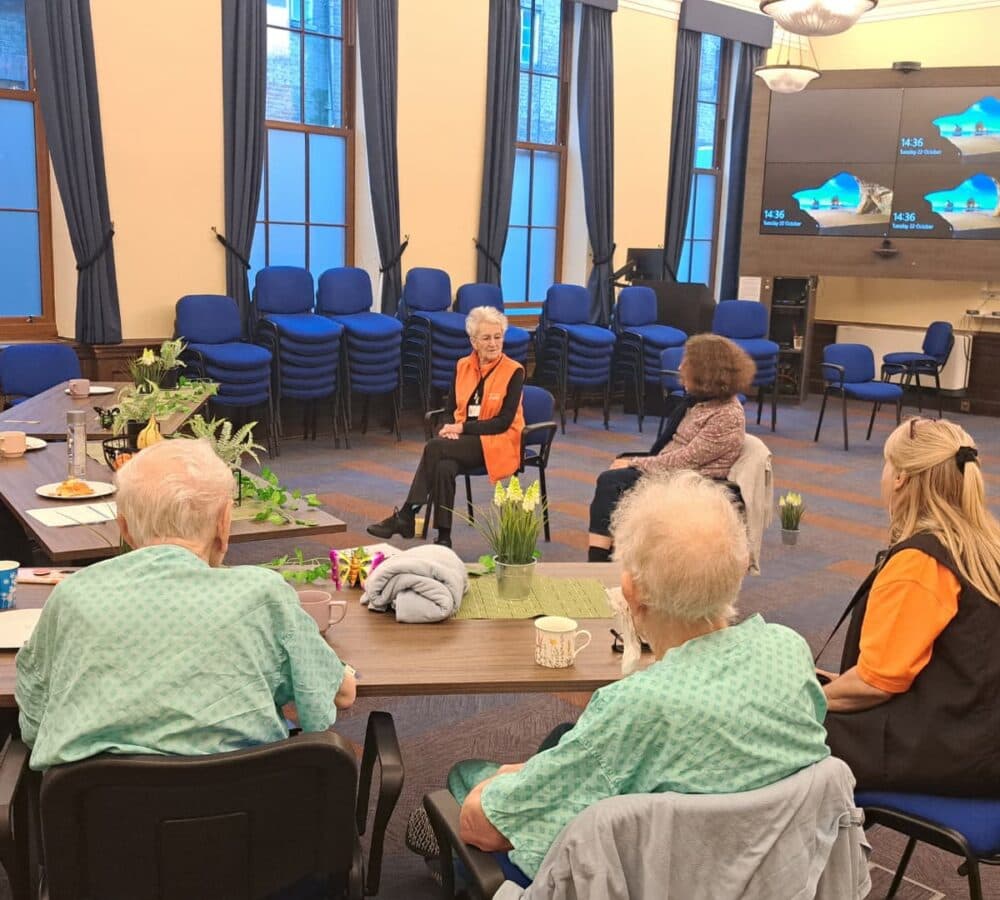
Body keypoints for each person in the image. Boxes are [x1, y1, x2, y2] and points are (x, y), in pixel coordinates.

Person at [441, 473, 830, 882]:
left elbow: (481, 827)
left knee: (467, 779)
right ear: (736, 570)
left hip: (645, 880)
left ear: (631, 589)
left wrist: (512, 775)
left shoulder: (636, 707)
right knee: (561, 737)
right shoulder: (788, 650)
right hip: (767, 876)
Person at [16, 439, 356, 770]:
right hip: (245, 818)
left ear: (125, 529)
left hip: (100, 820)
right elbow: (338, 697)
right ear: (224, 522)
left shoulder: (73, 595)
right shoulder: (263, 594)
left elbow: (35, 724)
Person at [822, 418, 1000, 795]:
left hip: (952, 751)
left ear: (901, 476)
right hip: (981, 733)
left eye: (887, 466)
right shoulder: (986, 545)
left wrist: (803, 701)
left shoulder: (921, 561)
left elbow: (876, 684)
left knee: (781, 731)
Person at [587, 333, 755, 561]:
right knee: (618, 471)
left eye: (687, 362)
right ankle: (617, 552)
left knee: (612, 480)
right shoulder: (702, 403)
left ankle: (597, 560)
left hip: (694, 479)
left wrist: (635, 463)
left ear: (706, 372)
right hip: (677, 469)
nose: (680, 366)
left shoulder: (727, 415)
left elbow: (686, 460)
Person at [368, 305, 525, 548]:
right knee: (443, 466)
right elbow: (451, 409)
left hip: (498, 443)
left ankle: (407, 515)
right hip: (462, 444)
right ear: (473, 341)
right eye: (486, 338)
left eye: (498, 337)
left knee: (434, 448)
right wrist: (447, 428)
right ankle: (443, 537)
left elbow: (503, 423)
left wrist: (460, 430)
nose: (493, 343)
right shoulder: (462, 365)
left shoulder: (514, 371)